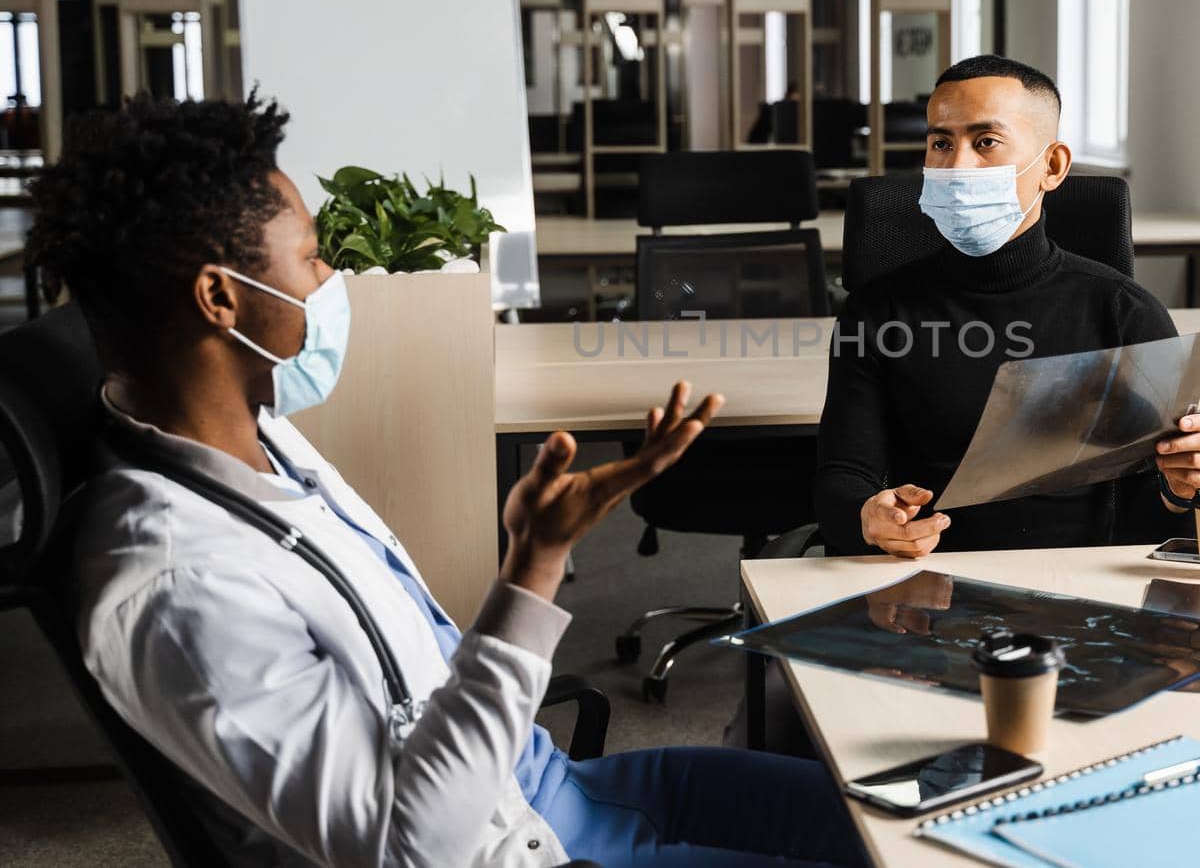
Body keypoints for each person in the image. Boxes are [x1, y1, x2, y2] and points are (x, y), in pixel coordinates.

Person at [27, 94, 865, 868]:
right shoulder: (177, 588)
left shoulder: (260, 440)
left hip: (546, 788)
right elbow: (411, 847)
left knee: (891, 829)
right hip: (523, 850)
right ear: (221, 297)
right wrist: (534, 567)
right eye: (315, 259)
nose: (331, 284)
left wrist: (527, 559)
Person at [815, 55, 1200, 557]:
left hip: (1078, 592)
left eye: (985, 142)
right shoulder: (878, 309)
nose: (956, 165)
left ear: (1052, 167)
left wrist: (1182, 488)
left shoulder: (1123, 311)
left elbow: (1147, 522)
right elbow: (843, 475)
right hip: (924, 583)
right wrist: (869, 518)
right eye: (941, 143)